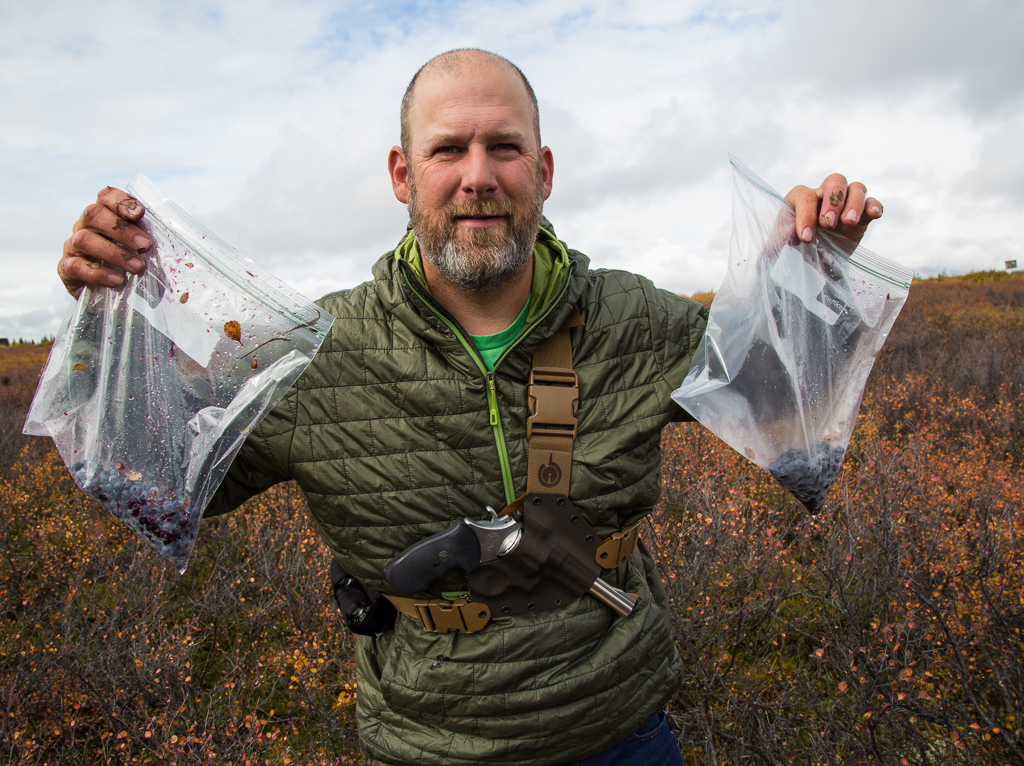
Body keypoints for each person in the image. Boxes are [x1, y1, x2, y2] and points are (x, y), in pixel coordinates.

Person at [57, 49, 883, 766]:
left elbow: (781, 414)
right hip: (426, 748)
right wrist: (104, 320)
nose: (478, 175)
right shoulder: (316, 352)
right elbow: (155, 474)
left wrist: (811, 279)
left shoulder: (637, 318)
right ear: (402, 174)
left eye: (505, 148)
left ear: (545, 171)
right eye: (447, 148)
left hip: (624, 735)